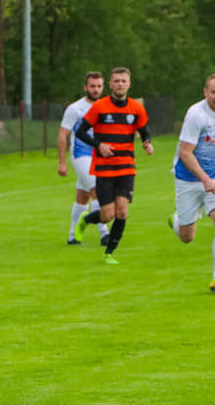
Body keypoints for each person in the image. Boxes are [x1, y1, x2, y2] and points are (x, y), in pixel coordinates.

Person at [168, 73, 215, 292]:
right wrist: (205, 179)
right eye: (214, 92)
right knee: (187, 237)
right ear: (205, 92)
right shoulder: (196, 115)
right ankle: (176, 221)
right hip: (187, 179)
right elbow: (185, 152)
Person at [72, 67, 153, 264]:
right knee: (107, 215)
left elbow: (144, 131)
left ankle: (109, 252)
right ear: (110, 84)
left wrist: (147, 143)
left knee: (122, 212)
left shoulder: (136, 108)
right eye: (116, 81)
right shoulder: (100, 107)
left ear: (129, 84)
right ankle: (86, 220)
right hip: (104, 167)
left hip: (126, 167)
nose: (120, 84)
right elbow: (81, 131)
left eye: (123, 81)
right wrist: (99, 145)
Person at [57, 71, 109, 245]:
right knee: (98, 191)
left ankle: (72, 235)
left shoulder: (105, 106)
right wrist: (62, 162)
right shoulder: (75, 109)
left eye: (99, 86)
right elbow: (63, 135)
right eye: (92, 86)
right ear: (85, 87)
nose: (95, 89)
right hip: (81, 155)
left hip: (99, 156)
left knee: (82, 197)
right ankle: (104, 234)